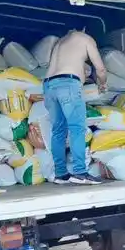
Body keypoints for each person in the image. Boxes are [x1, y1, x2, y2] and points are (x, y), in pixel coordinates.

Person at [44, 30, 108, 185]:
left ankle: (61, 174)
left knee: (58, 131)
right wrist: (102, 83)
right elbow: (100, 69)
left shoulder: (60, 42)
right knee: (77, 128)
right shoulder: (85, 38)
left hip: (48, 85)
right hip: (68, 84)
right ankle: (80, 172)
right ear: (84, 28)